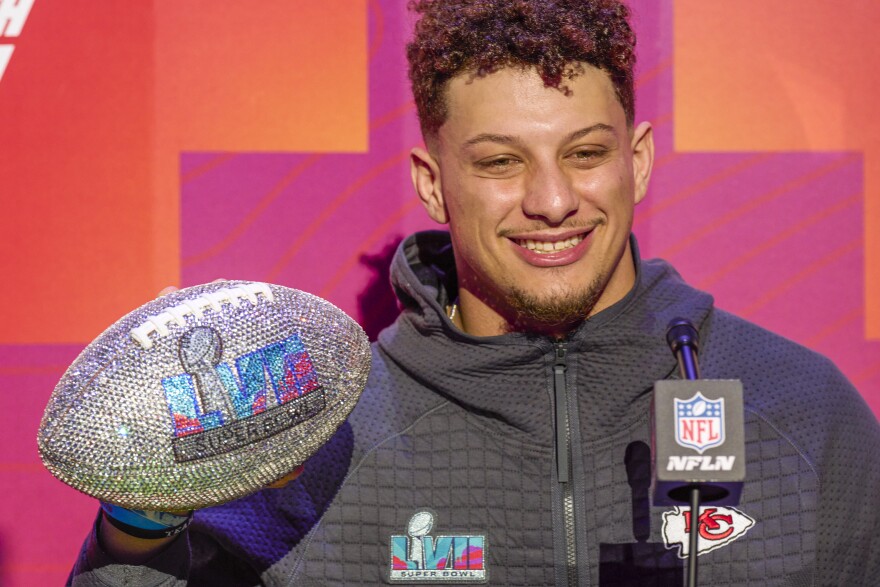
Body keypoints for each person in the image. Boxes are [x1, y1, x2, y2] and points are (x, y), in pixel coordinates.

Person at [69, 0, 880, 585]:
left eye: (586, 153)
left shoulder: (802, 409)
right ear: (432, 183)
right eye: (500, 163)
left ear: (636, 160)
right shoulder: (316, 434)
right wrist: (143, 516)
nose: (553, 200)